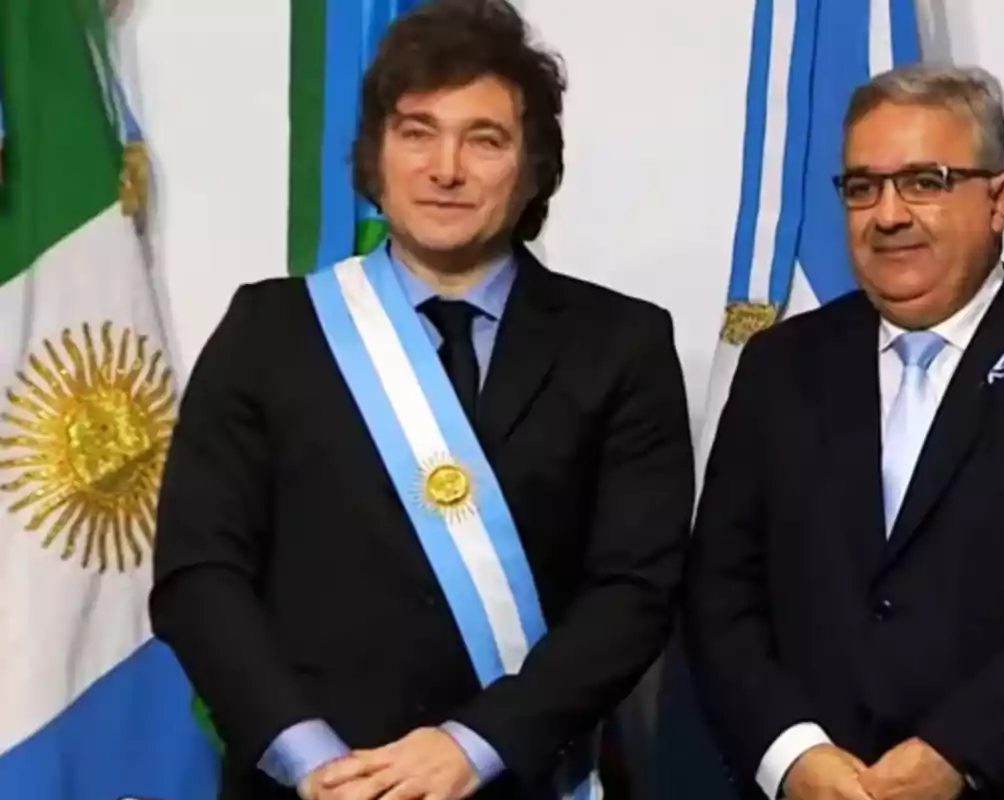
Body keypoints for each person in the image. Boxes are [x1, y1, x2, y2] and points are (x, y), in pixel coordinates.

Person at [149, 2, 694, 799]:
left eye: (485, 139)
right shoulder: (267, 330)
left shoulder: (622, 344)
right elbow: (199, 573)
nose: (446, 168)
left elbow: (634, 591)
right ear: (375, 156)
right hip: (312, 786)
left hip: (524, 778)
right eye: (416, 132)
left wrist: (476, 745)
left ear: (534, 166)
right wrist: (312, 760)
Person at [682, 64, 1004, 800]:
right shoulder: (780, 366)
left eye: (926, 181)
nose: (888, 213)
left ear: (999, 201)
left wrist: (957, 752)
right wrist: (793, 755)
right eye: (863, 186)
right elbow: (720, 586)